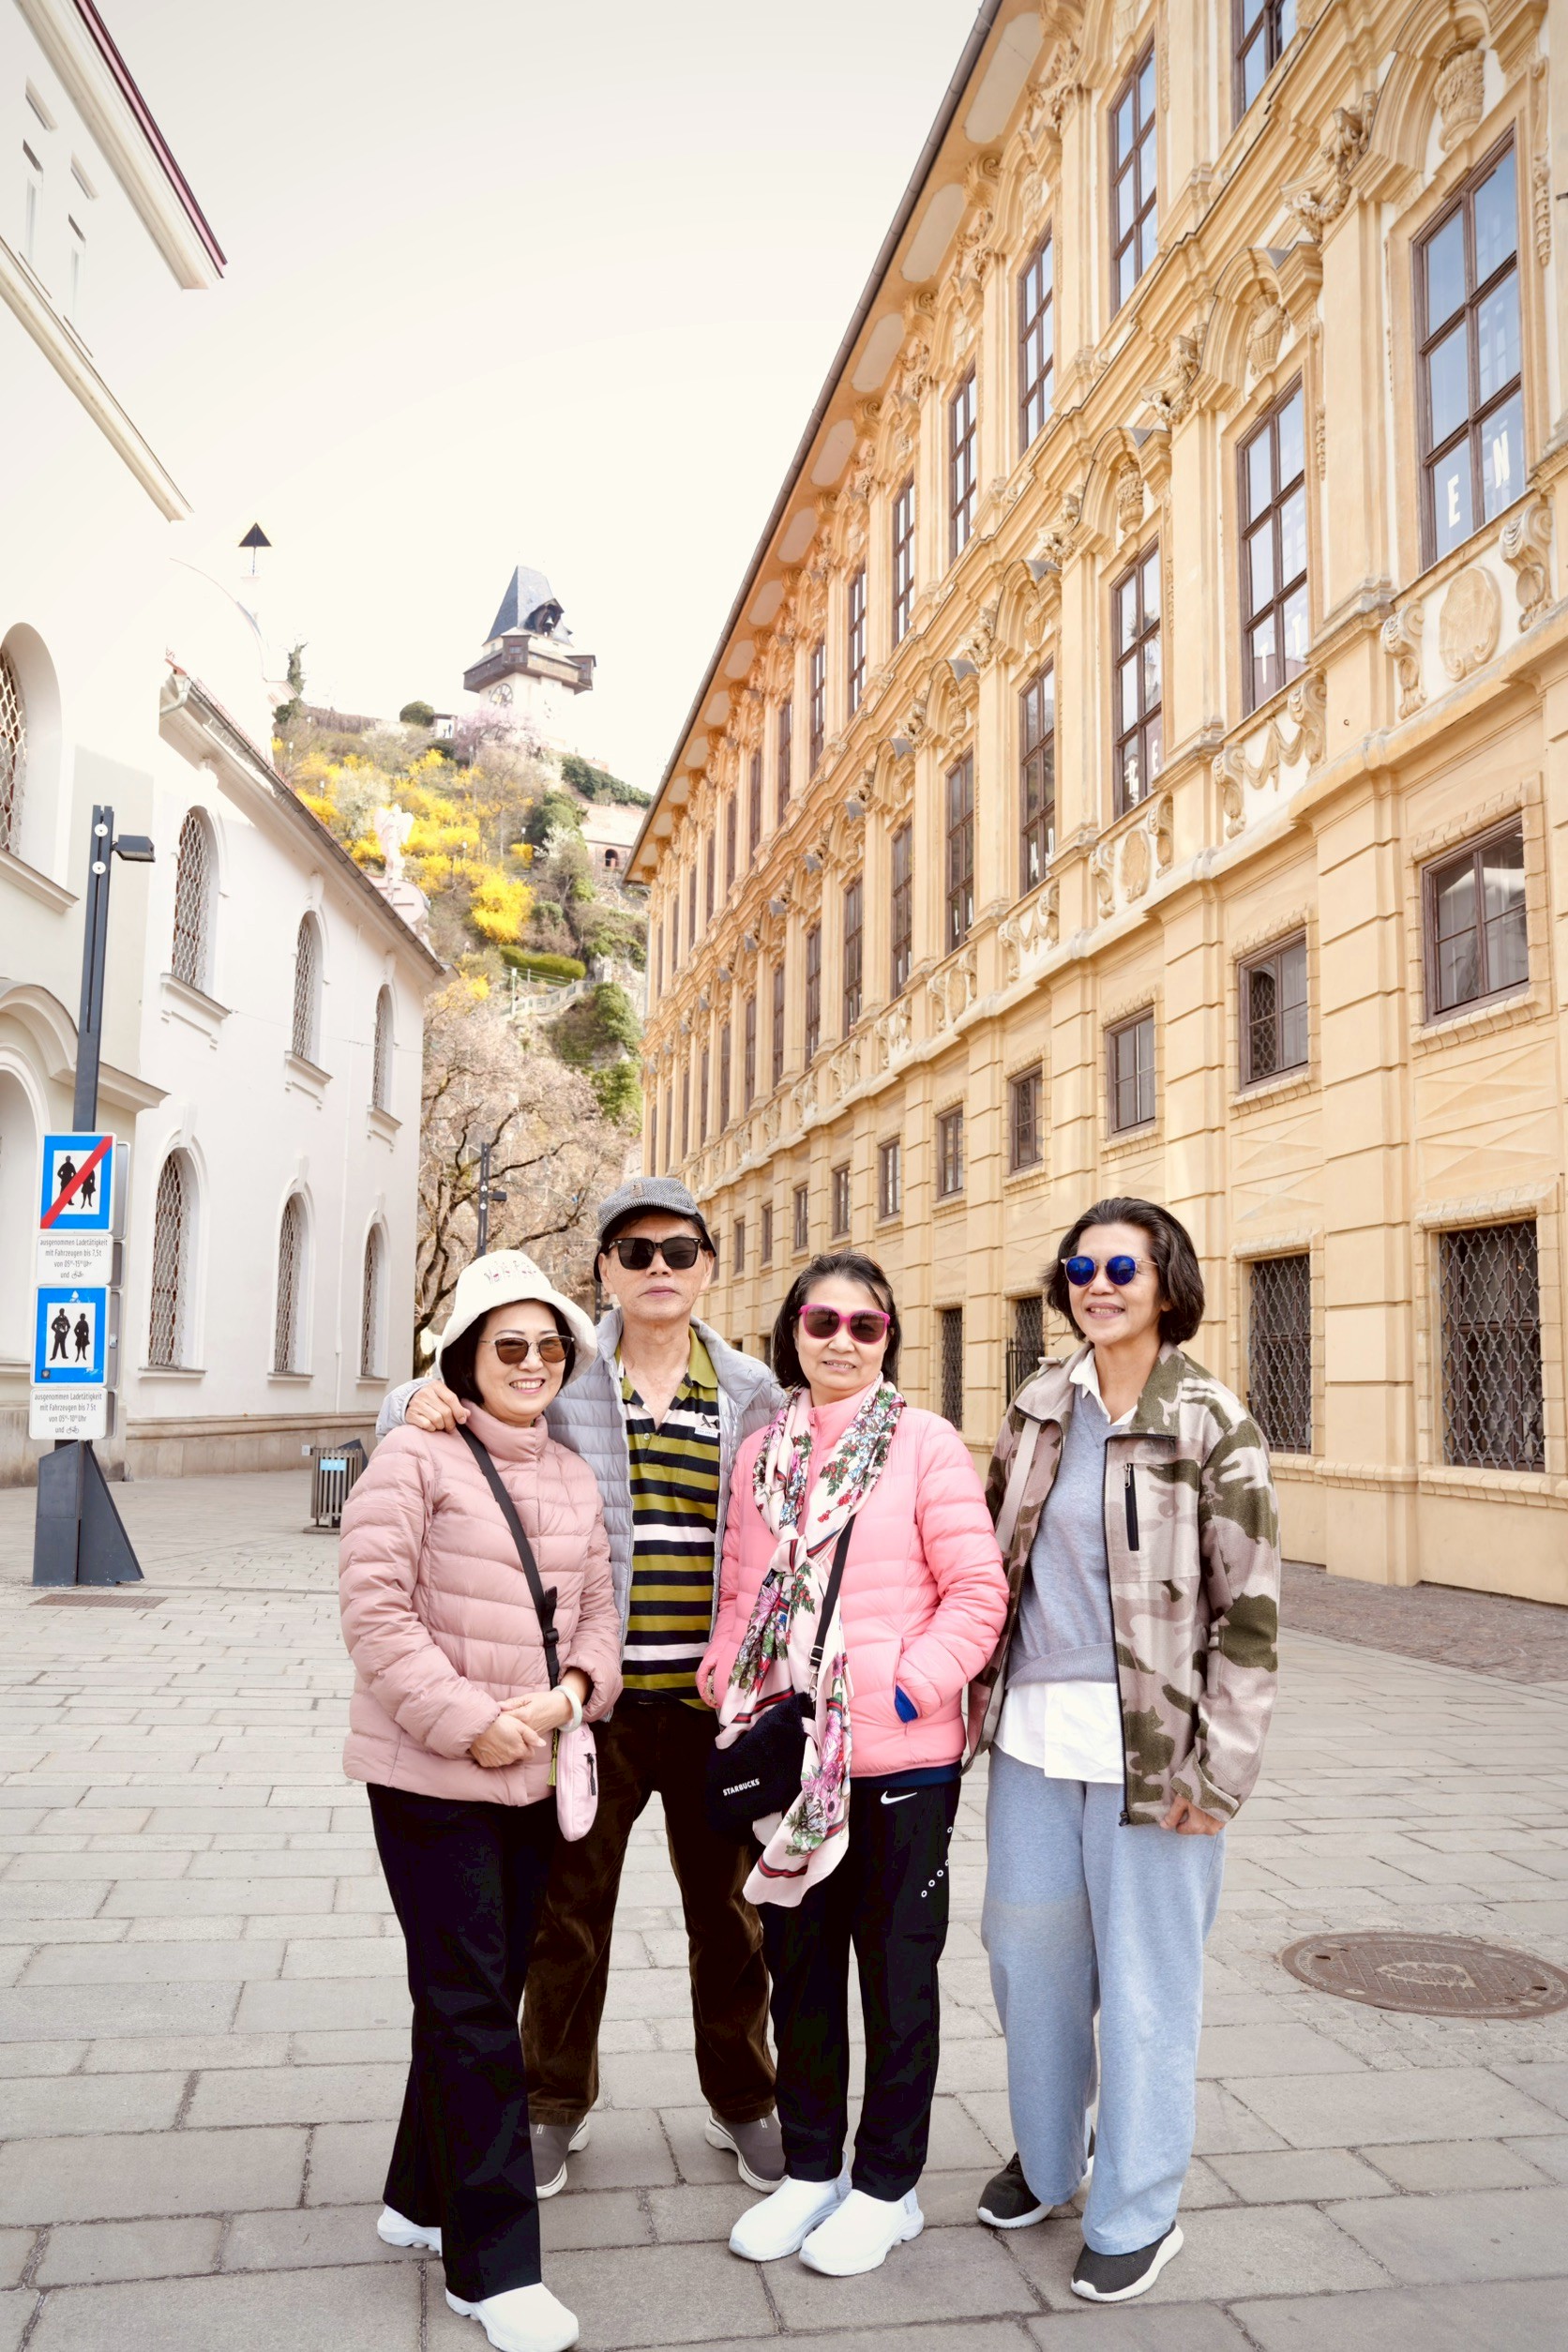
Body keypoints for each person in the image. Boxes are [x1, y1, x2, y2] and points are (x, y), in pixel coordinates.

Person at [378, 1177, 785, 2194]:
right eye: (635, 1252)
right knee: (567, 1916)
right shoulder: (564, 1373)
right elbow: (443, 1397)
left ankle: (745, 2099)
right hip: (592, 1704)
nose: (658, 1268)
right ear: (603, 1269)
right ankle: (553, 2101)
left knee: (731, 1918)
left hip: (714, 1710)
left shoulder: (750, 1392)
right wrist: (412, 1399)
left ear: (706, 1266)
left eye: (678, 1251)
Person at [970, 1197, 1281, 2305]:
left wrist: (1220, 1770)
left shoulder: (1209, 1420)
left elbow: (1249, 1613)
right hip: (1032, 1742)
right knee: (1029, 1962)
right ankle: (1049, 2159)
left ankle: (1136, 2207)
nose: (1097, 1287)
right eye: (1080, 1269)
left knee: (1147, 1983)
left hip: (1155, 1756)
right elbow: (993, 1561)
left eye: (1121, 1269)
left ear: (1164, 1284)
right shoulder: (1037, 1406)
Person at [701, 1253, 1009, 2278]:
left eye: (864, 1325)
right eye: (822, 1321)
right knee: (798, 1974)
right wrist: (728, 1678)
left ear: (887, 1339)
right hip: (792, 1762)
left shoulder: (924, 1444)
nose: (841, 1340)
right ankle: (810, 2171)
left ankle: (886, 2188)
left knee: (895, 1977)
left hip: (902, 1763)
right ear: (791, 1329)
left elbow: (977, 1593)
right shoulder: (761, 1455)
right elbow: (739, 1595)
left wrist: (905, 1690)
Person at [339, 1250, 623, 2352]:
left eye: (551, 1346)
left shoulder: (572, 1474)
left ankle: (418, 2198)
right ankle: (492, 2271)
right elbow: (374, 1612)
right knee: (469, 2003)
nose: (532, 1362)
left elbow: (597, 1604)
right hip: (431, 1777)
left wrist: (572, 1695)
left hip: (534, 1768)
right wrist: (471, 1720)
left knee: (484, 1988)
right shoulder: (411, 1457)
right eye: (510, 1344)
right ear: (465, 1354)